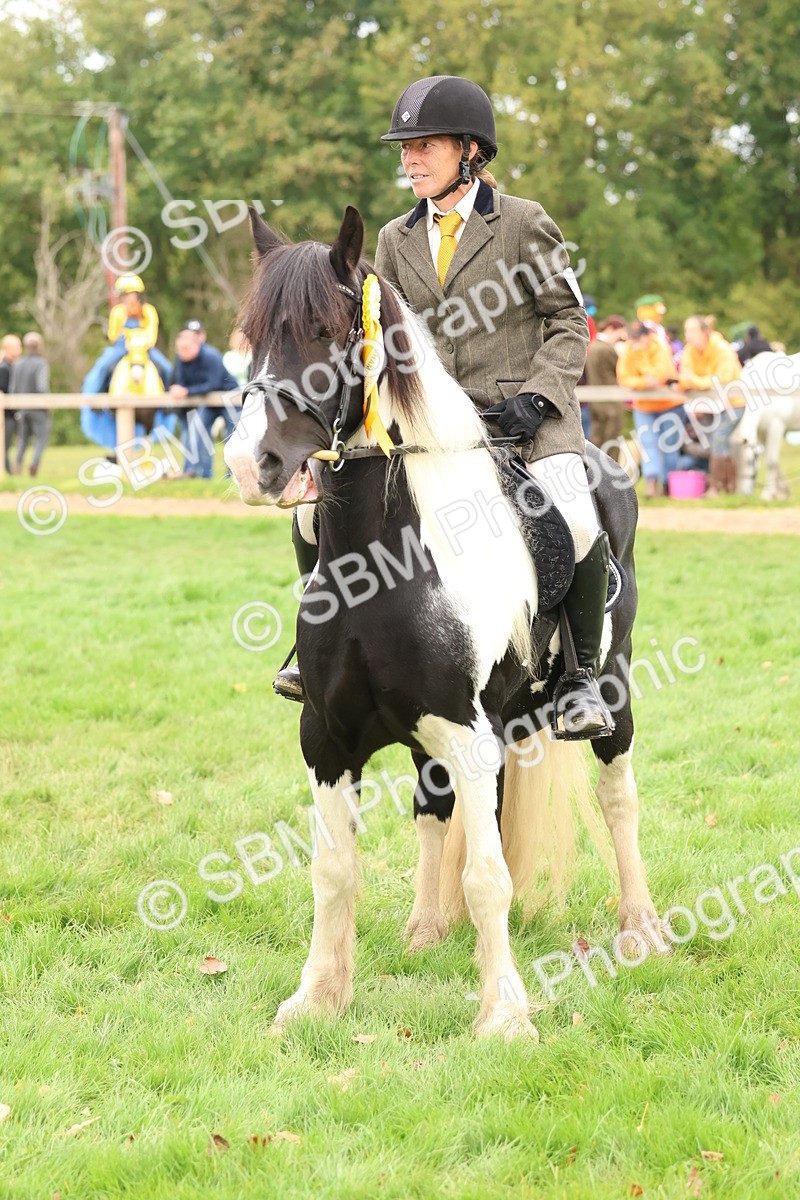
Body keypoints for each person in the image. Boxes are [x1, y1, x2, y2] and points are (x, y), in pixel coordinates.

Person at [279, 74, 615, 740]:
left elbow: (569, 321)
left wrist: (538, 397)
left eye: (423, 145)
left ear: (469, 151)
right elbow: (382, 341)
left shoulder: (522, 221)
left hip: (526, 423)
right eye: (404, 148)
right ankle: (316, 641)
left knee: (575, 517)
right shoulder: (394, 239)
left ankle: (579, 678)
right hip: (432, 430)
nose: (409, 159)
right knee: (318, 516)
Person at [679, 315, 743, 496]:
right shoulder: (690, 350)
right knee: (714, 442)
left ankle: (716, 487)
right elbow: (685, 375)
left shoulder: (722, 349)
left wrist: (696, 382)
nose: (688, 335)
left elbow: (722, 378)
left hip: (733, 403)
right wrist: (693, 384)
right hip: (709, 405)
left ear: (705, 332)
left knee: (719, 439)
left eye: (692, 331)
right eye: (686, 331)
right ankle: (728, 487)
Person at [616, 321, 681, 498]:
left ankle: (669, 485)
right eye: (634, 338)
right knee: (648, 444)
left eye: (639, 338)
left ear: (647, 336)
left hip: (669, 404)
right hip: (643, 405)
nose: (636, 342)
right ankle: (652, 484)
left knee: (669, 445)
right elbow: (624, 378)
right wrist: (644, 381)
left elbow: (662, 374)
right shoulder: (629, 349)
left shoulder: (660, 346)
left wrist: (642, 378)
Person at [169, 328, 241, 478]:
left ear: (197, 345)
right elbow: (182, 381)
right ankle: (205, 474)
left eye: (186, 348)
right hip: (208, 402)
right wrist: (179, 389)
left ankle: (232, 474)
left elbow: (213, 384)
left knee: (233, 435)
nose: (182, 352)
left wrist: (187, 391)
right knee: (198, 430)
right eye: (179, 348)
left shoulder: (211, 356)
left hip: (229, 399)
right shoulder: (181, 359)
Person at [585, 316, 627, 462]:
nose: (620, 338)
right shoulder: (607, 349)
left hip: (595, 402)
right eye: (619, 334)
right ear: (611, 329)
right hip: (611, 403)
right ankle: (611, 478)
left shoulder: (593, 346)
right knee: (612, 443)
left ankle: (593, 475)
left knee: (596, 441)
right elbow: (622, 371)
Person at [11, 332, 50, 477]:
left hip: (21, 408)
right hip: (38, 409)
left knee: (22, 440)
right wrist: (48, 405)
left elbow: (13, 389)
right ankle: (34, 467)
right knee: (40, 439)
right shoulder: (41, 363)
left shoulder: (18, 363)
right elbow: (42, 387)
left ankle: (18, 467)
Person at [1, 333, 22, 474]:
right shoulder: (4, 368)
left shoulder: (14, 366)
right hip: (6, 415)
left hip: (13, 413)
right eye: (17, 346)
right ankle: (7, 472)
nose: (20, 349)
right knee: (5, 445)